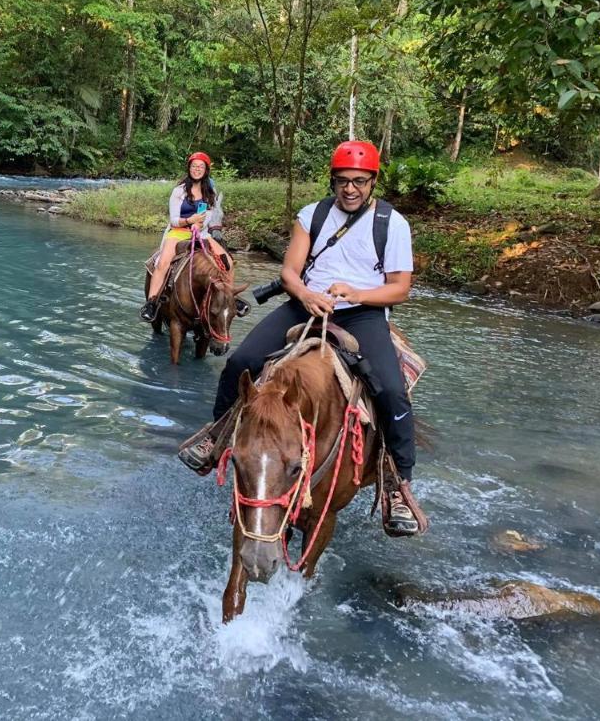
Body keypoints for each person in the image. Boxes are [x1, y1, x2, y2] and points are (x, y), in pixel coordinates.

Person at [180, 140, 424, 535]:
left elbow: (400, 288)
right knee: (241, 362)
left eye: (359, 181)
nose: (350, 189)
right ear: (333, 180)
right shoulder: (312, 215)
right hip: (305, 303)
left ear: (372, 182)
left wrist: (359, 294)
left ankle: (398, 481)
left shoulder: (392, 224)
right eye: (343, 181)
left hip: (362, 312)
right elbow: (291, 271)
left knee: (393, 391)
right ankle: (218, 436)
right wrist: (307, 294)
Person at [140, 152, 248, 323]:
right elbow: (174, 220)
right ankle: (152, 302)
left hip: (201, 234)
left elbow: (208, 216)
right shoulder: (179, 191)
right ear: (189, 168)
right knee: (163, 263)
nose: (197, 169)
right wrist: (190, 221)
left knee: (227, 261)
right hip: (178, 233)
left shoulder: (208, 192)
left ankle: (229, 296)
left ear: (206, 171)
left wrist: (199, 225)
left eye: (200, 167)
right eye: (194, 166)